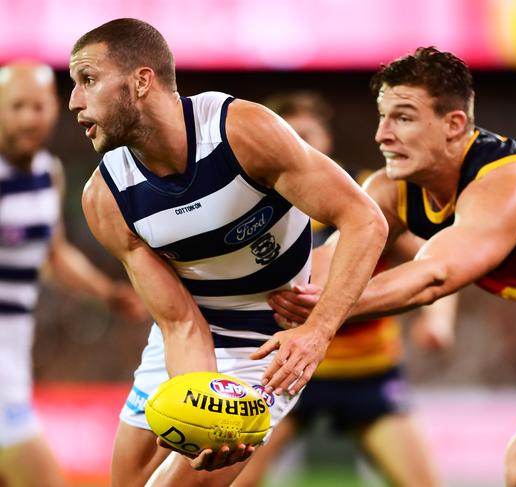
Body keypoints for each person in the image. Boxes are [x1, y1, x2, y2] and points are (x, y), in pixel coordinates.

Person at [267, 46, 516, 487]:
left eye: (403, 118)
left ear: (454, 125)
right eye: (382, 116)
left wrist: (323, 315)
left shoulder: (509, 184)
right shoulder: (391, 189)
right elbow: (326, 268)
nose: (382, 135)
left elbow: (435, 275)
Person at [67, 18, 387, 487]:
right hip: (190, 329)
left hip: (265, 345)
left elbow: (365, 219)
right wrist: (202, 399)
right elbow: (179, 323)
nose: (74, 101)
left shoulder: (243, 133)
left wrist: (318, 332)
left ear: (141, 81)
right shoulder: (106, 198)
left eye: (88, 80)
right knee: (128, 481)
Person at [237, 91, 452, 487]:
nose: (296, 145)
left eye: (305, 135)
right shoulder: (251, 204)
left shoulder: (366, 197)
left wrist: (438, 320)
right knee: (231, 480)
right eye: (286, 136)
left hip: (369, 374)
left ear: (326, 141)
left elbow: (437, 262)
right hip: (287, 369)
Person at [0, 62, 147, 487]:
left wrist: (107, 292)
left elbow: (54, 254)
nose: (30, 117)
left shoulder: (48, 173)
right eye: (17, 106)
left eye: (39, 106)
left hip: (13, 352)